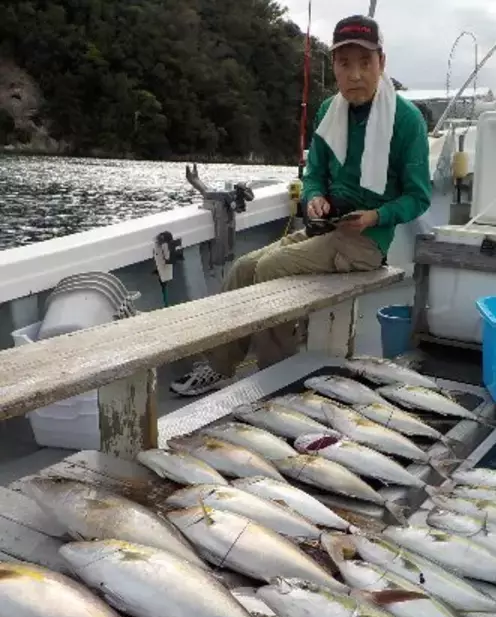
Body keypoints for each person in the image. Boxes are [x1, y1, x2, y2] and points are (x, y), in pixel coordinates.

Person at [171, 13, 432, 397]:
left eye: (365, 63)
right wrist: (314, 199)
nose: (355, 74)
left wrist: (376, 216)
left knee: (271, 269)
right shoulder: (329, 112)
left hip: (367, 241)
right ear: (334, 66)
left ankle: (276, 381)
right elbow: (314, 175)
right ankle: (219, 366)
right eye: (345, 63)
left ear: (382, 63)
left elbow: (418, 196)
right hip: (325, 229)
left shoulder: (406, 121)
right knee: (243, 268)